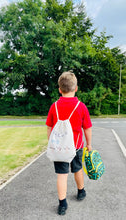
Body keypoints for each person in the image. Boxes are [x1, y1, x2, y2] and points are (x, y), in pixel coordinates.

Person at [46, 71, 92, 215]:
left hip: (60, 148)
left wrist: (51, 142)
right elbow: (87, 128)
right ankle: (81, 191)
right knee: (77, 169)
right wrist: (89, 144)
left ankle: (62, 204)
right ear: (76, 88)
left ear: (60, 89)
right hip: (76, 146)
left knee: (62, 174)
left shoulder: (54, 106)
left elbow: (49, 127)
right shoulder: (81, 106)